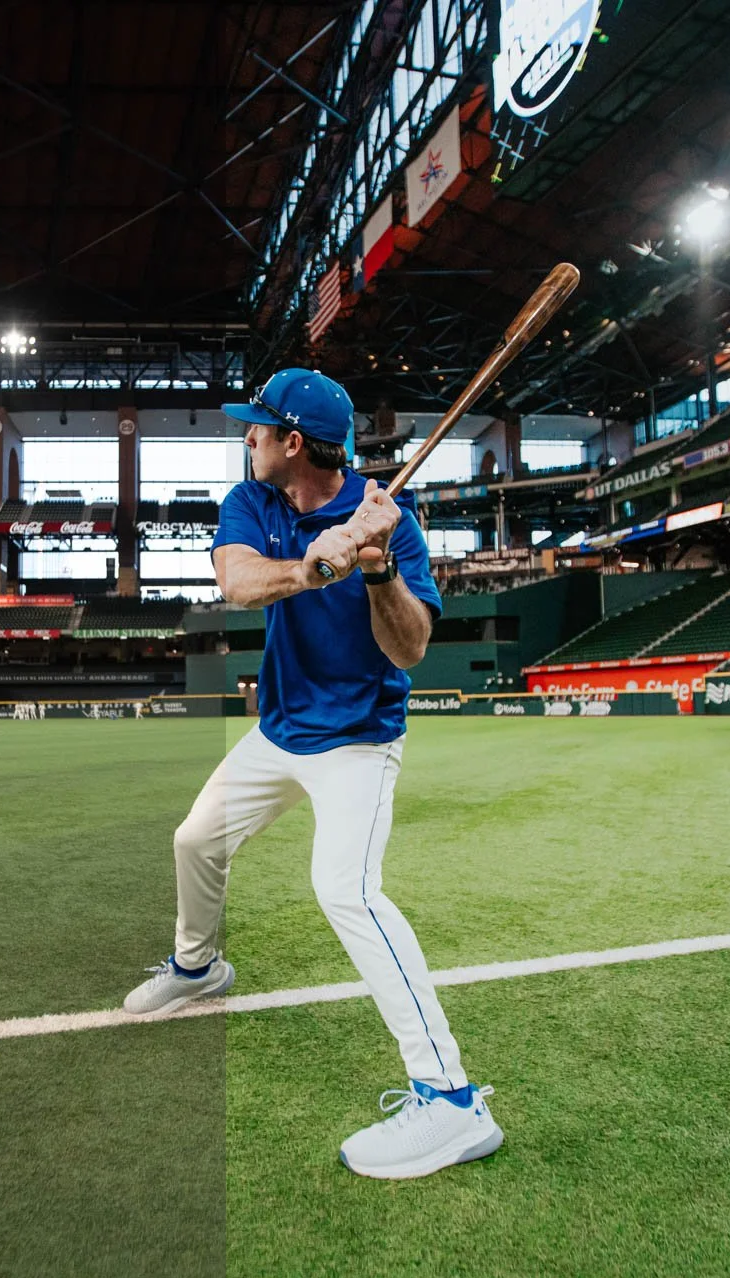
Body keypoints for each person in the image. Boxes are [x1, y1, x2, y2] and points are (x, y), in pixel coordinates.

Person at [122, 368, 501, 1180]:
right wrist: (313, 565)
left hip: (360, 739)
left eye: (256, 428)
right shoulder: (253, 501)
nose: (246, 437)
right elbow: (235, 581)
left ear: (291, 443)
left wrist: (372, 566)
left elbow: (409, 649)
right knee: (195, 840)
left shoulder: (390, 523)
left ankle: (452, 1101)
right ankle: (199, 968)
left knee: (346, 888)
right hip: (282, 732)